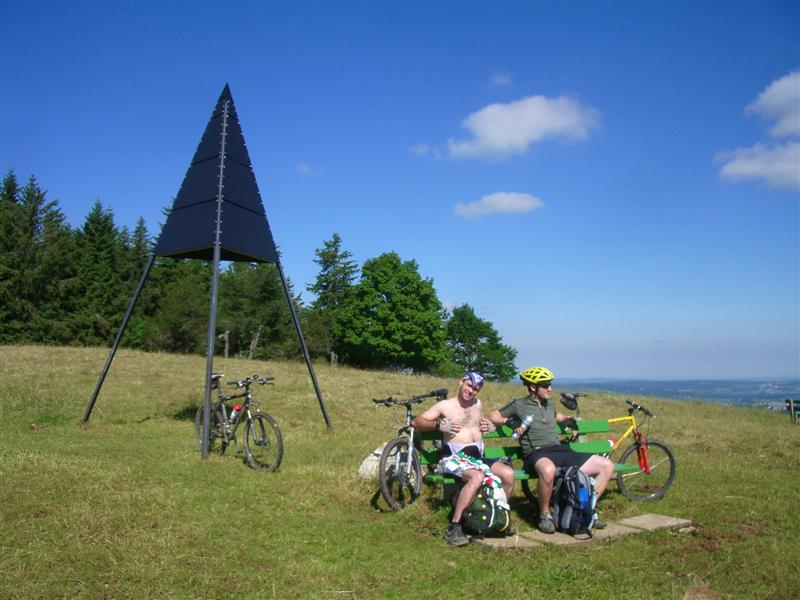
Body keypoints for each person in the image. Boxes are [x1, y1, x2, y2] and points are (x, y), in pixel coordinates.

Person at [488, 366, 614, 534]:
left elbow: (556, 416)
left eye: (550, 384)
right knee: (548, 470)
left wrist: (568, 420)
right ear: (533, 387)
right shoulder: (519, 404)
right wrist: (507, 421)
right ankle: (544, 515)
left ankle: (584, 510)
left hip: (560, 450)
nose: (550, 389)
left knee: (606, 465)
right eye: (546, 385)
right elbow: (493, 416)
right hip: (536, 453)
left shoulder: (549, 404)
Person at [412, 371, 515, 546]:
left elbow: (480, 423)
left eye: (476, 389)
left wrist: (490, 425)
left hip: (478, 457)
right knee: (477, 477)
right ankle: (455, 526)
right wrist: (438, 424)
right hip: (454, 457)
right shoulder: (445, 406)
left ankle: (495, 516)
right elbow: (417, 422)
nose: (471, 391)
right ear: (461, 382)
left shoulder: (478, 404)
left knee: (508, 474)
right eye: (469, 386)